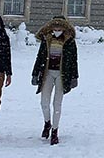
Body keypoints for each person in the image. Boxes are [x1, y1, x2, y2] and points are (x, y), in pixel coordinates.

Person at [32, 16, 79, 146]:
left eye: (60, 28)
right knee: (44, 102)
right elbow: (40, 57)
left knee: (57, 104)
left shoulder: (69, 41)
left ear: (64, 28)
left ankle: (55, 131)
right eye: (55, 28)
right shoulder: (46, 39)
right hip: (47, 73)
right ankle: (47, 122)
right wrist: (35, 73)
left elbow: (74, 60)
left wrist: (74, 77)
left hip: (62, 75)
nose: (57, 30)